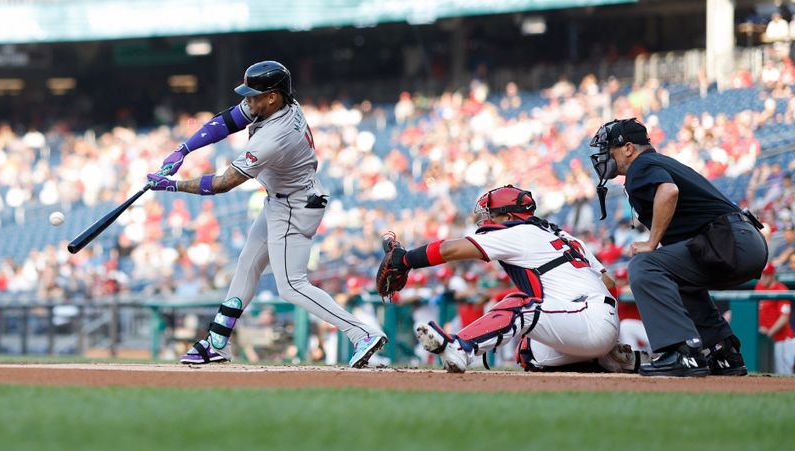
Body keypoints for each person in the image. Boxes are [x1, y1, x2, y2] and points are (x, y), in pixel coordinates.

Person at [146, 60, 387, 367]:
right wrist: (183, 150)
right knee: (247, 264)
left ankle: (362, 333)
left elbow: (224, 183)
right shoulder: (274, 104)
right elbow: (227, 121)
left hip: (294, 205)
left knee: (291, 285)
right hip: (283, 199)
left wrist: (173, 186)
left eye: (252, 95)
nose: (247, 101)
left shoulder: (274, 135)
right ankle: (217, 341)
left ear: (272, 96)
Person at [381, 184, 640, 374]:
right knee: (529, 353)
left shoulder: (520, 232)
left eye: (492, 214)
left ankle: (461, 348)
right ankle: (606, 360)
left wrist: (406, 260)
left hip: (586, 318)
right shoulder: (567, 238)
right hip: (590, 318)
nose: (488, 220)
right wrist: (609, 339)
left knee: (521, 304)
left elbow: (450, 249)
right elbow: (609, 284)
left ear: (508, 216)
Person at [590, 118, 768, 377]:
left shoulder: (641, 165)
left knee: (644, 265)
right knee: (674, 275)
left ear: (628, 148)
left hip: (730, 240)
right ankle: (722, 352)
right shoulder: (657, 162)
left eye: (609, 149)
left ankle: (683, 351)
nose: (604, 156)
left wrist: (651, 243)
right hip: (740, 240)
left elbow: (669, 191)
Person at [755, 263, 795, 374]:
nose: (763, 278)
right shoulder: (759, 286)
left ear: (772, 275)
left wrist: (768, 334)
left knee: (784, 373)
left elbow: (784, 318)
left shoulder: (781, 290)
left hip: (782, 341)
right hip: (768, 341)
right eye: (762, 275)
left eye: (766, 275)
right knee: (768, 372)